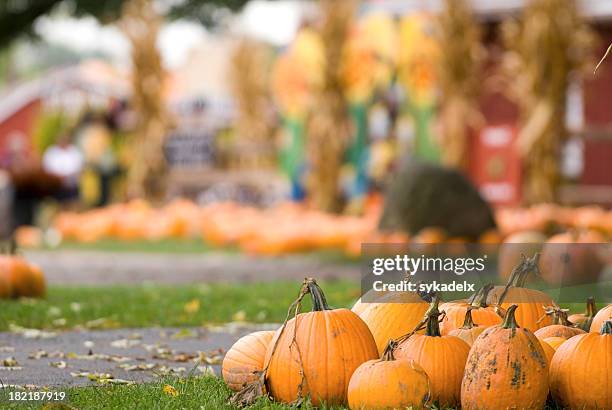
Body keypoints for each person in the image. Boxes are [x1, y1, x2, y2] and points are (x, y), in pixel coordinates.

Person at [42, 134, 84, 206]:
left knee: (72, 206)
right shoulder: (51, 152)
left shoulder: (75, 152)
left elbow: (79, 168)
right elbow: (46, 168)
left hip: (71, 186)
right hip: (55, 187)